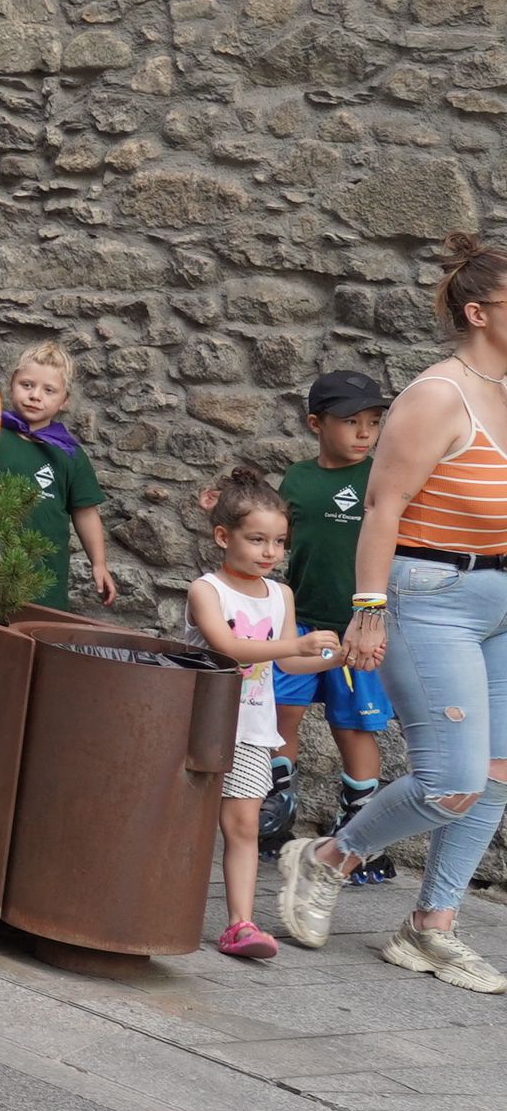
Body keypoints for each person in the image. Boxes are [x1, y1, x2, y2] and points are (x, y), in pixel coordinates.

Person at [275, 237, 507, 994]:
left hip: (502, 602)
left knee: (498, 773)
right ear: (478, 312)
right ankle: (328, 857)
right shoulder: (439, 395)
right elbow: (384, 506)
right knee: (452, 781)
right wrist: (367, 612)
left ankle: (429, 927)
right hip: (431, 596)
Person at [189, 474, 337, 964]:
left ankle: (240, 924)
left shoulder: (281, 596)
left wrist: (339, 658)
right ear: (222, 537)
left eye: (278, 542)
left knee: (245, 828)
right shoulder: (206, 590)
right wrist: (295, 644)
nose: (269, 552)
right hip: (196, 723)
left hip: (250, 729)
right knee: (182, 820)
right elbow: (229, 647)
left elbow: (290, 664)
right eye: (257, 539)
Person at [278, 369, 399, 876]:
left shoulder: (382, 479)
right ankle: (273, 812)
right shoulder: (296, 480)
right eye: (351, 421)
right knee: (282, 717)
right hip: (301, 627)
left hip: (356, 630)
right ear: (315, 423)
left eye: (373, 421)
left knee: (352, 728)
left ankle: (362, 835)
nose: (365, 433)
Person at [0, 341, 116, 607]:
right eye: (27, 385)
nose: (35, 396)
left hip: (43, 576)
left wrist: (99, 564)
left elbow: (85, 511)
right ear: (12, 384)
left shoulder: (69, 454)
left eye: (49, 390)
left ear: (64, 401)